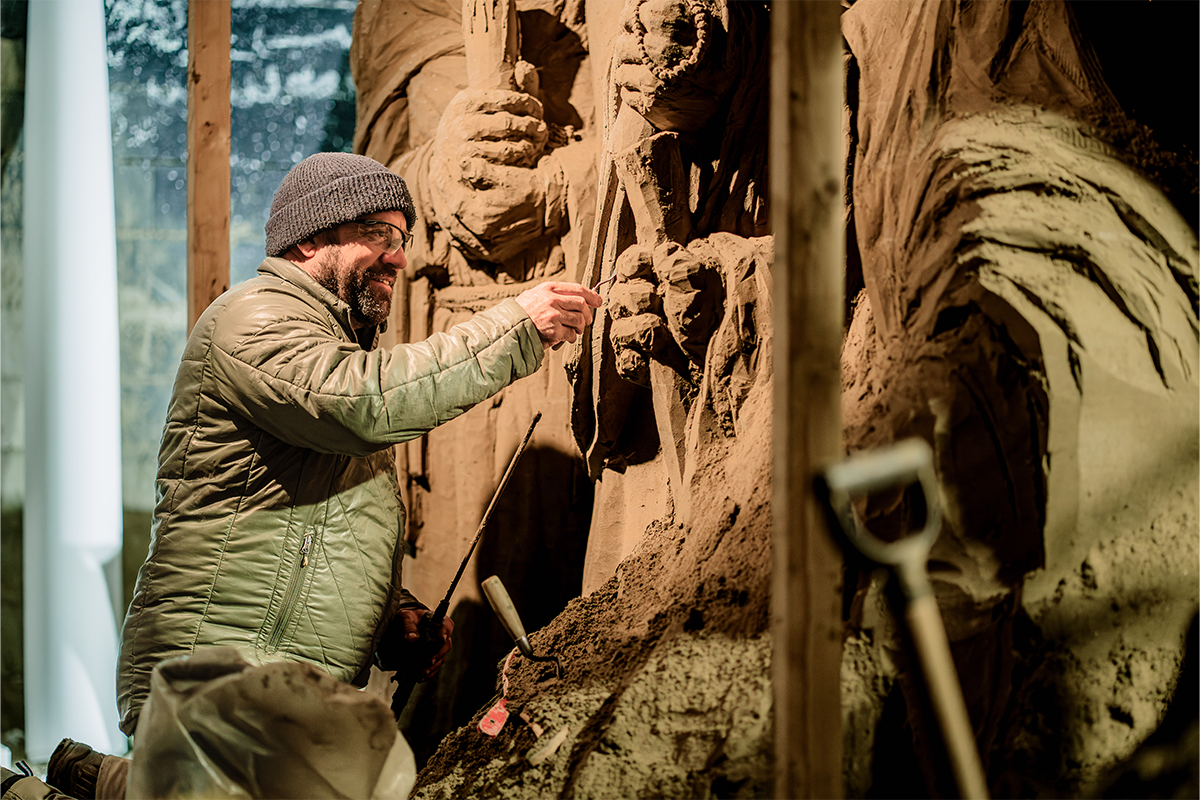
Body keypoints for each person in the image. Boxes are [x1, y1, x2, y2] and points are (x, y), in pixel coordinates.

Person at [106, 151, 601, 743]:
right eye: (376, 232)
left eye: (402, 237)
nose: (397, 255)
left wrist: (392, 619)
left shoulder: (330, 344)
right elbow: (358, 402)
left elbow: (315, 525)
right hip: (221, 674)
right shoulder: (254, 318)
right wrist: (516, 325)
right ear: (309, 239)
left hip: (276, 685)